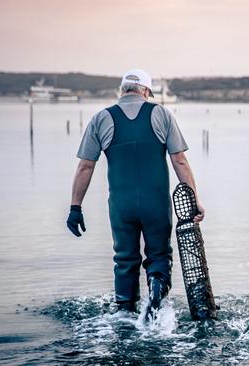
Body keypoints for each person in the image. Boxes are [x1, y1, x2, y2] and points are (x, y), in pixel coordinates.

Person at [66, 69, 204, 315]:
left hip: (121, 205)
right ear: (147, 91)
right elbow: (180, 161)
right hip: (156, 204)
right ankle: (156, 286)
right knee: (159, 254)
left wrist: (75, 207)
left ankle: (125, 311)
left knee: (124, 258)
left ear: (122, 90)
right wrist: (193, 200)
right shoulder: (161, 114)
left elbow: (85, 166)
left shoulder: (101, 118)